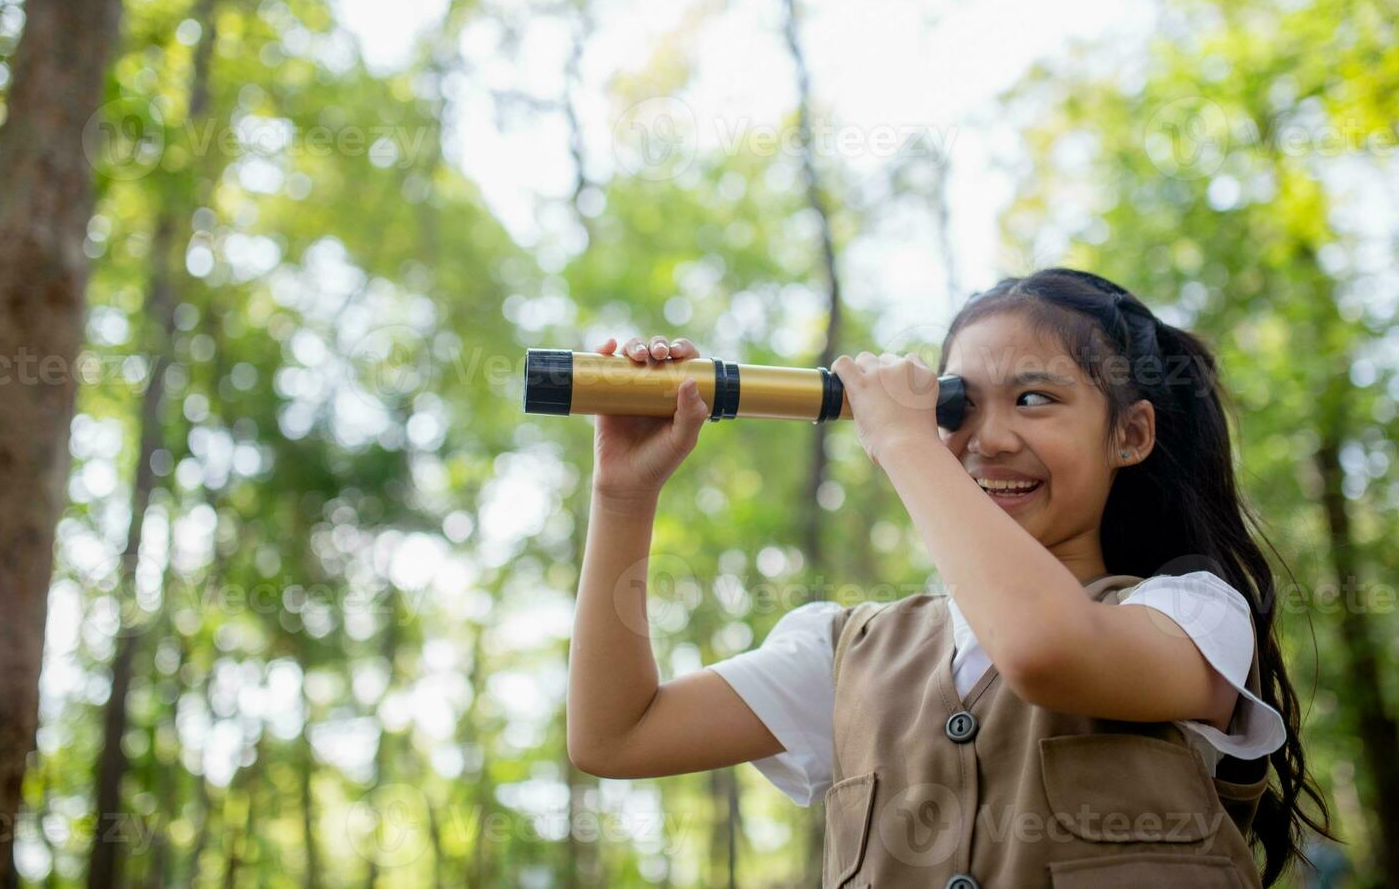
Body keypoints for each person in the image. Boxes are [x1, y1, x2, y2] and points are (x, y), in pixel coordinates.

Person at [566, 267, 1338, 887]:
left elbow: (1042, 649)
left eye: (1035, 398)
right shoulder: (847, 653)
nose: (988, 439)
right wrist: (624, 494)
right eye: (957, 405)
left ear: (1130, 435)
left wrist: (908, 443)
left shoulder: (1192, 615)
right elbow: (615, 735)